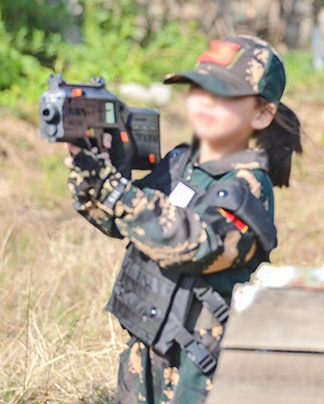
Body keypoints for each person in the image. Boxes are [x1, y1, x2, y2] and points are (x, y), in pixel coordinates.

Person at [64, 35, 302, 403]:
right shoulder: (181, 163)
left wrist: (118, 192)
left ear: (262, 113)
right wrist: (90, 174)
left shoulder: (249, 185)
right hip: (146, 354)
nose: (205, 103)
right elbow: (122, 222)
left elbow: (196, 245)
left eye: (222, 95)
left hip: (199, 371)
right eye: (197, 90)